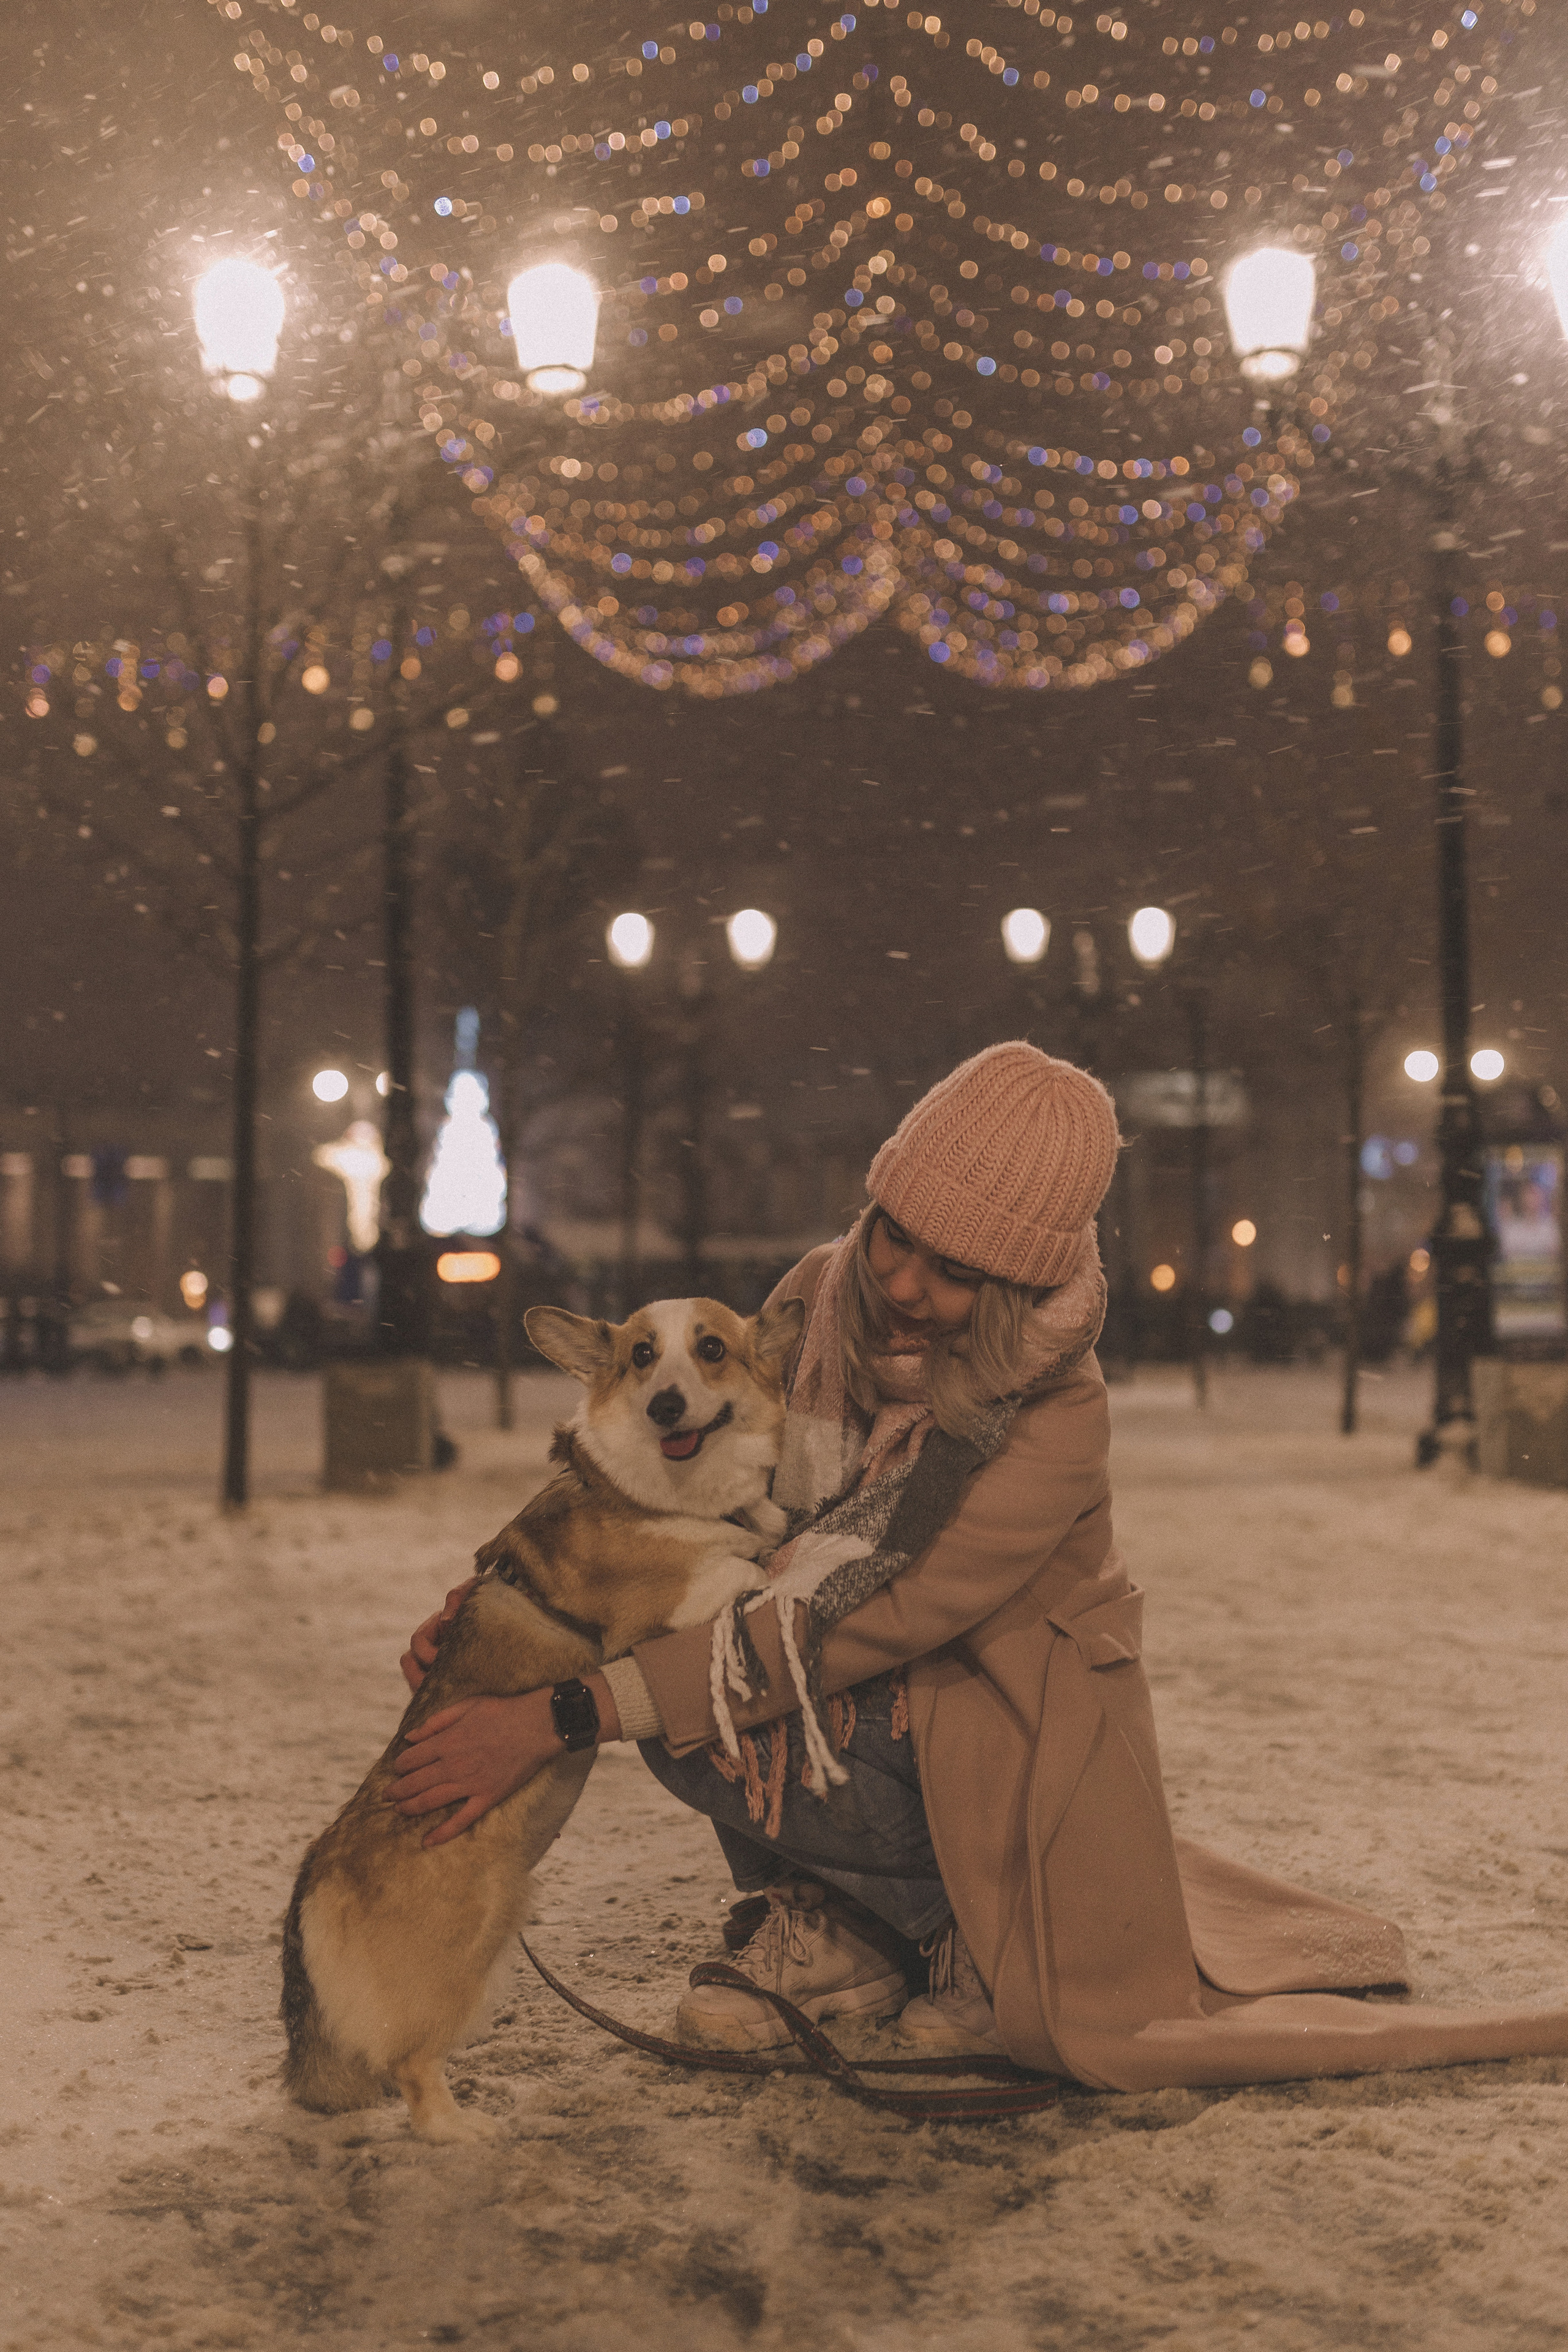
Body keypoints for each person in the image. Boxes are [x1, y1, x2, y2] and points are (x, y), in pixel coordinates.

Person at [394, 1043, 1568, 2092]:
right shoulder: (818, 1295)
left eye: (953, 1271)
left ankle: (955, 1920)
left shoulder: (1049, 1412)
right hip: (864, 1701)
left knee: (694, 1687)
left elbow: (851, 1626)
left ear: (1016, 1285)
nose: (903, 1282)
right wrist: (517, 1601)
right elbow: (697, 1476)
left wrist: (562, 1711)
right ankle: (840, 1921)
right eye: (897, 1234)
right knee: (688, 1673)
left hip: (1002, 1732)